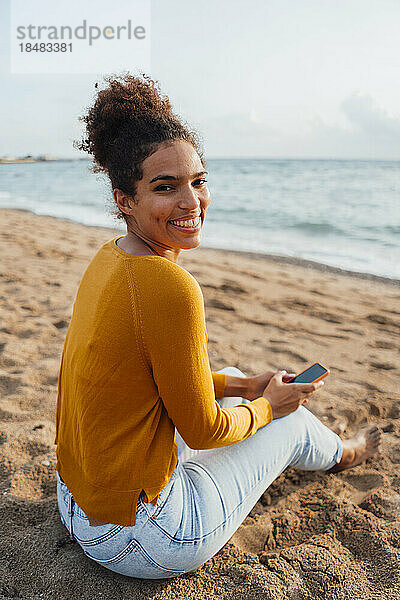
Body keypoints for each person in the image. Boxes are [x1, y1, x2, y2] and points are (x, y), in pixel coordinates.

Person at [54, 73, 382, 579]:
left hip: (77, 499)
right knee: (288, 420)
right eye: (166, 187)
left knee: (228, 376)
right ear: (125, 199)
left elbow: (144, 382)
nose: (191, 201)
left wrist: (246, 387)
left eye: (198, 180)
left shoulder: (108, 260)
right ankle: (342, 454)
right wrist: (269, 407)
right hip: (144, 537)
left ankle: (297, 422)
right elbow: (204, 431)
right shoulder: (171, 288)